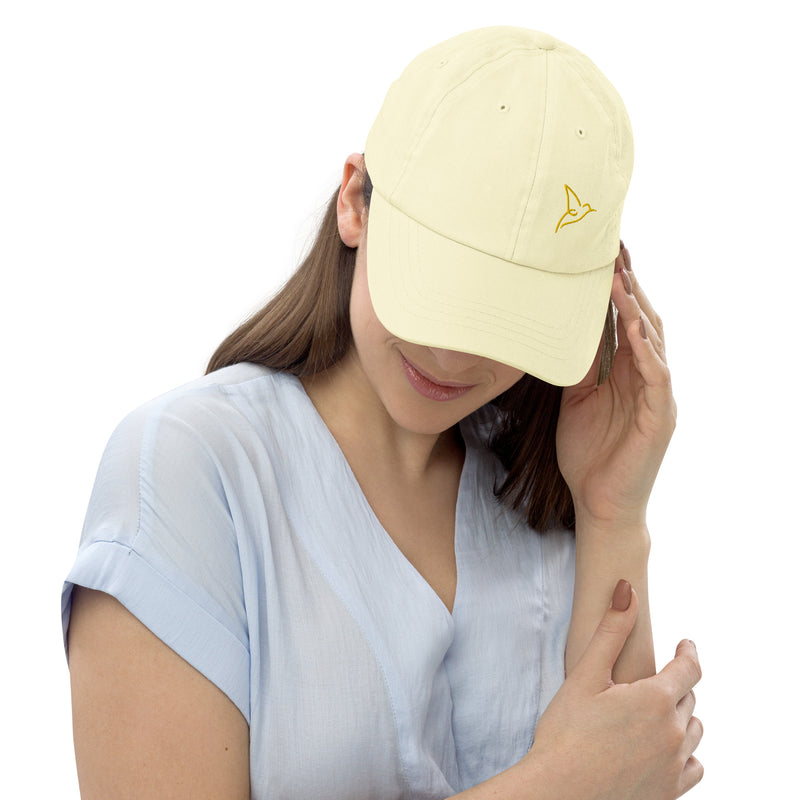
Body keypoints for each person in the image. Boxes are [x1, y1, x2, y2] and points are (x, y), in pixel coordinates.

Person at [62, 26, 703, 800]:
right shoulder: (190, 470)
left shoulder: (542, 486)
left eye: (510, 320)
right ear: (355, 202)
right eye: (438, 293)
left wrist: (612, 511)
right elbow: (596, 780)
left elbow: (629, 779)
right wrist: (558, 784)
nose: (457, 358)